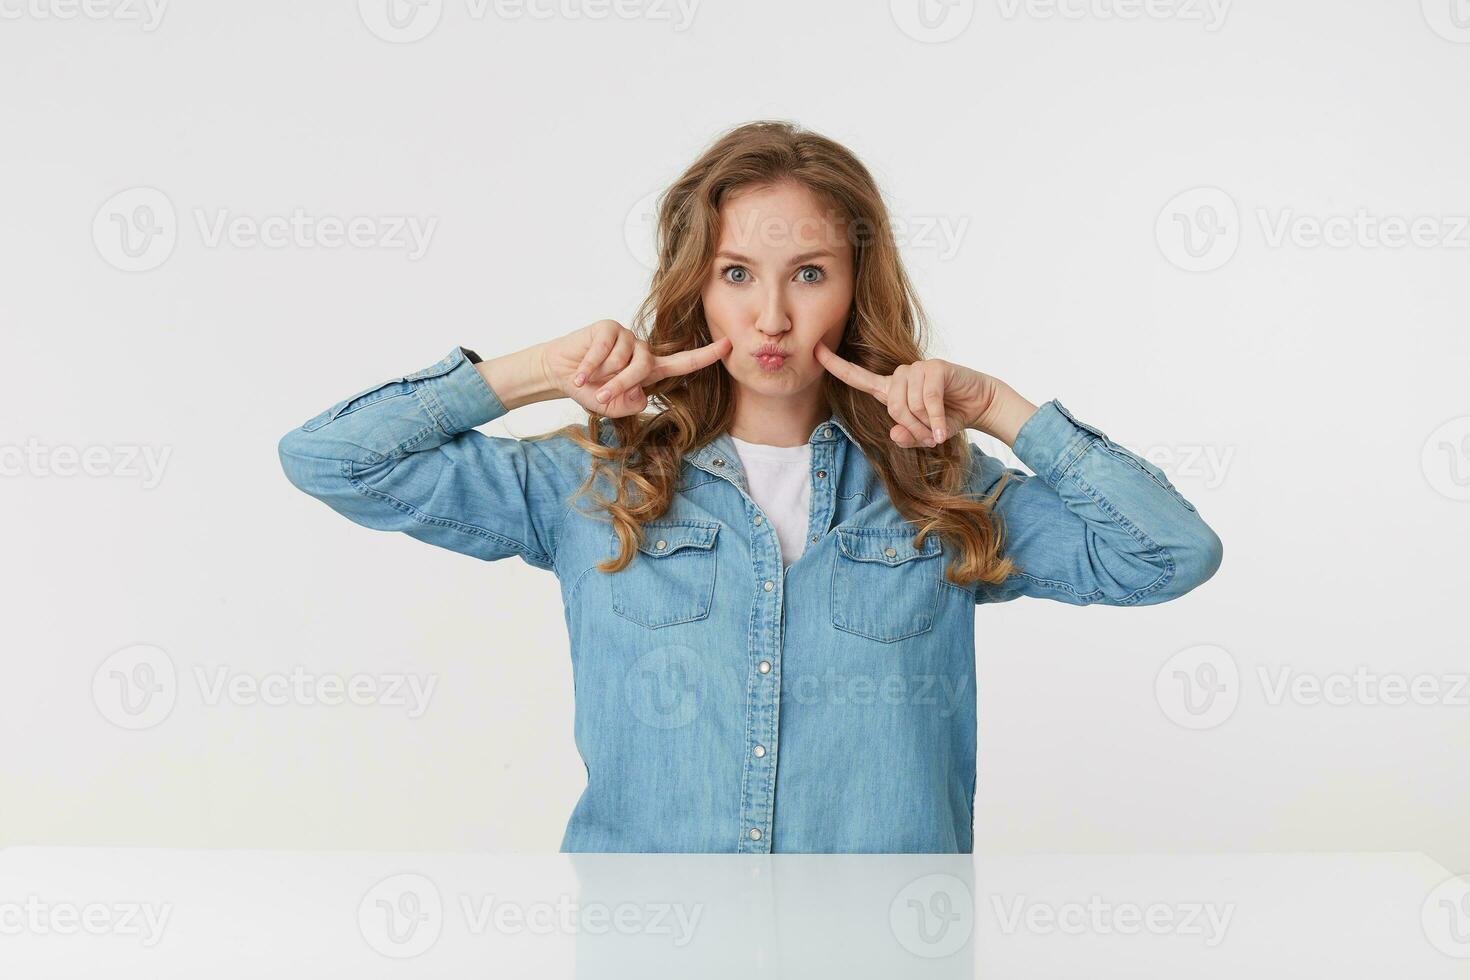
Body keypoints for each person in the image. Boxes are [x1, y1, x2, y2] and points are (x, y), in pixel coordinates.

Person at [277, 120, 1223, 854]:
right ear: (699, 287)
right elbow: (333, 458)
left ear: (856, 288)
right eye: (738, 273)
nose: (771, 315)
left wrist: (996, 406)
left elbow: (1169, 555)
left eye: (808, 273)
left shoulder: (939, 489)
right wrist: (539, 371)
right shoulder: (591, 481)